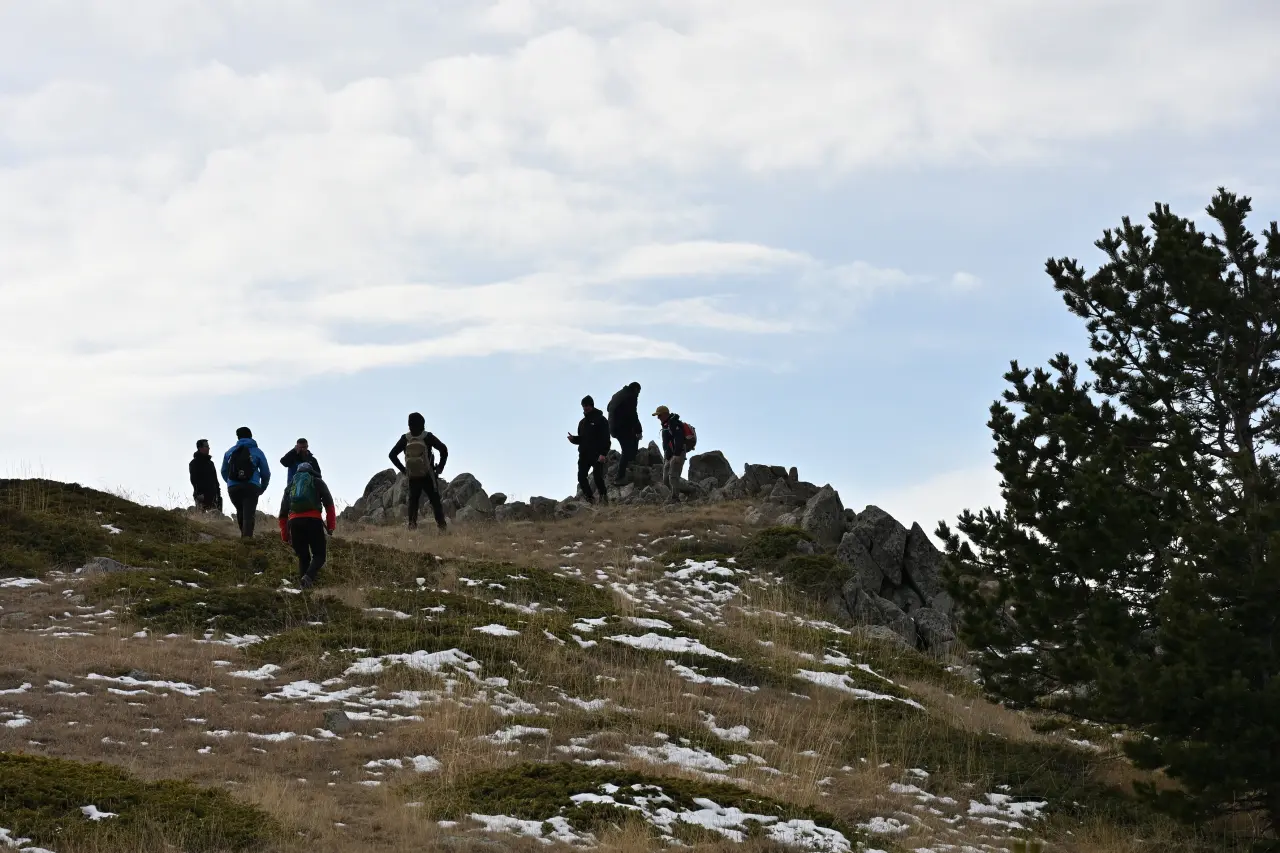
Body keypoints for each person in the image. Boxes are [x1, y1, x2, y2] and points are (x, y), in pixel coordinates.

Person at [278, 461, 336, 589]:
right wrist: (331, 526)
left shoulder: (291, 485)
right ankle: (308, 577)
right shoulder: (317, 482)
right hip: (313, 521)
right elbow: (329, 505)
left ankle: (304, 589)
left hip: (294, 522)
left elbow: (282, 513)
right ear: (311, 471)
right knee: (319, 555)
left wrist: (285, 534)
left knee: (303, 557)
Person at [388, 412, 449, 531]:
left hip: (413, 476)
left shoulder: (405, 438)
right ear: (423, 424)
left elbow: (392, 455)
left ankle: (412, 528)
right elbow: (444, 449)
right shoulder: (427, 437)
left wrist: (404, 470)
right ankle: (442, 528)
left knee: (413, 502)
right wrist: (440, 468)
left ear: (409, 425)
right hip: (428, 475)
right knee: (435, 501)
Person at [221, 427, 271, 538]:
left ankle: (243, 537)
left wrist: (231, 482)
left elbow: (224, 471)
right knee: (249, 513)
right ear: (251, 436)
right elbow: (266, 472)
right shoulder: (257, 451)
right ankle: (247, 539)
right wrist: (262, 487)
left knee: (240, 510)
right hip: (251, 486)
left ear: (238, 437)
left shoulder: (229, 451)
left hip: (233, 487)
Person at [567, 395, 611, 505]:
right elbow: (582, 439)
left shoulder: (601, 420)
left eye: (587, 405)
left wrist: (603, 453)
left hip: (597, 454)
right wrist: (573, 439)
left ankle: (604, 498)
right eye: (583, 406)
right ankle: (590, 500)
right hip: (584, 455)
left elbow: (606, 438)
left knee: (597, 477)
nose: (585, 408)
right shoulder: (582, 423)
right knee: (581, 477)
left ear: (592, 405)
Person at [607, 381, 642, 485]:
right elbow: (633, 414)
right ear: (636, 389)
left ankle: (630, 460)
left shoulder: (618, 394)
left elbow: (608, 408)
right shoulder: (631, 396)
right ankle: (619, 477)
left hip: (613, 427)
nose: (638, 395)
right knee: (627, 449)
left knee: (632, 439)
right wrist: (639, 429)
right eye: (639, 392)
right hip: (621, 427)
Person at [279, 438, 322, 518]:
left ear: (307, 446)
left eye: (305, 447)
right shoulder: (292, 458)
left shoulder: (312, 460)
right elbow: (283, 462)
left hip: (310, 490)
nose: (303, 450)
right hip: (293, 489)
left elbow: (319, 475)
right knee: (292, 511)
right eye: (301, 448)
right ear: (297, 447)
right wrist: (293, 451)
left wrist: (310, 471)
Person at [654, 405, 690, 501]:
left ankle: (675, 498)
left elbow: (679, 439)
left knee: (673, 476)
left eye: (659, 415)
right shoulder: (666, 425)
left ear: (665, 414)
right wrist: (667, 456)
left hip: (677, 454)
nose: (658, 418)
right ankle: (675, 495)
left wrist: (677, 455)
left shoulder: (674, 423)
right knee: (666, 478)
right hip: (669, 456)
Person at [189, 439, 222, 513]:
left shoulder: (211, 463)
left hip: (213, 496)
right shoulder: (194, 463)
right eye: (206, 446)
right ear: (200, 448)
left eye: (208, 446)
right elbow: (193, 479)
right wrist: (199, 493)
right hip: (201, 496)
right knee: (201, 518)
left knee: (216, 519)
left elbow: (215, 480)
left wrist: (218, 494)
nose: (208, 448)